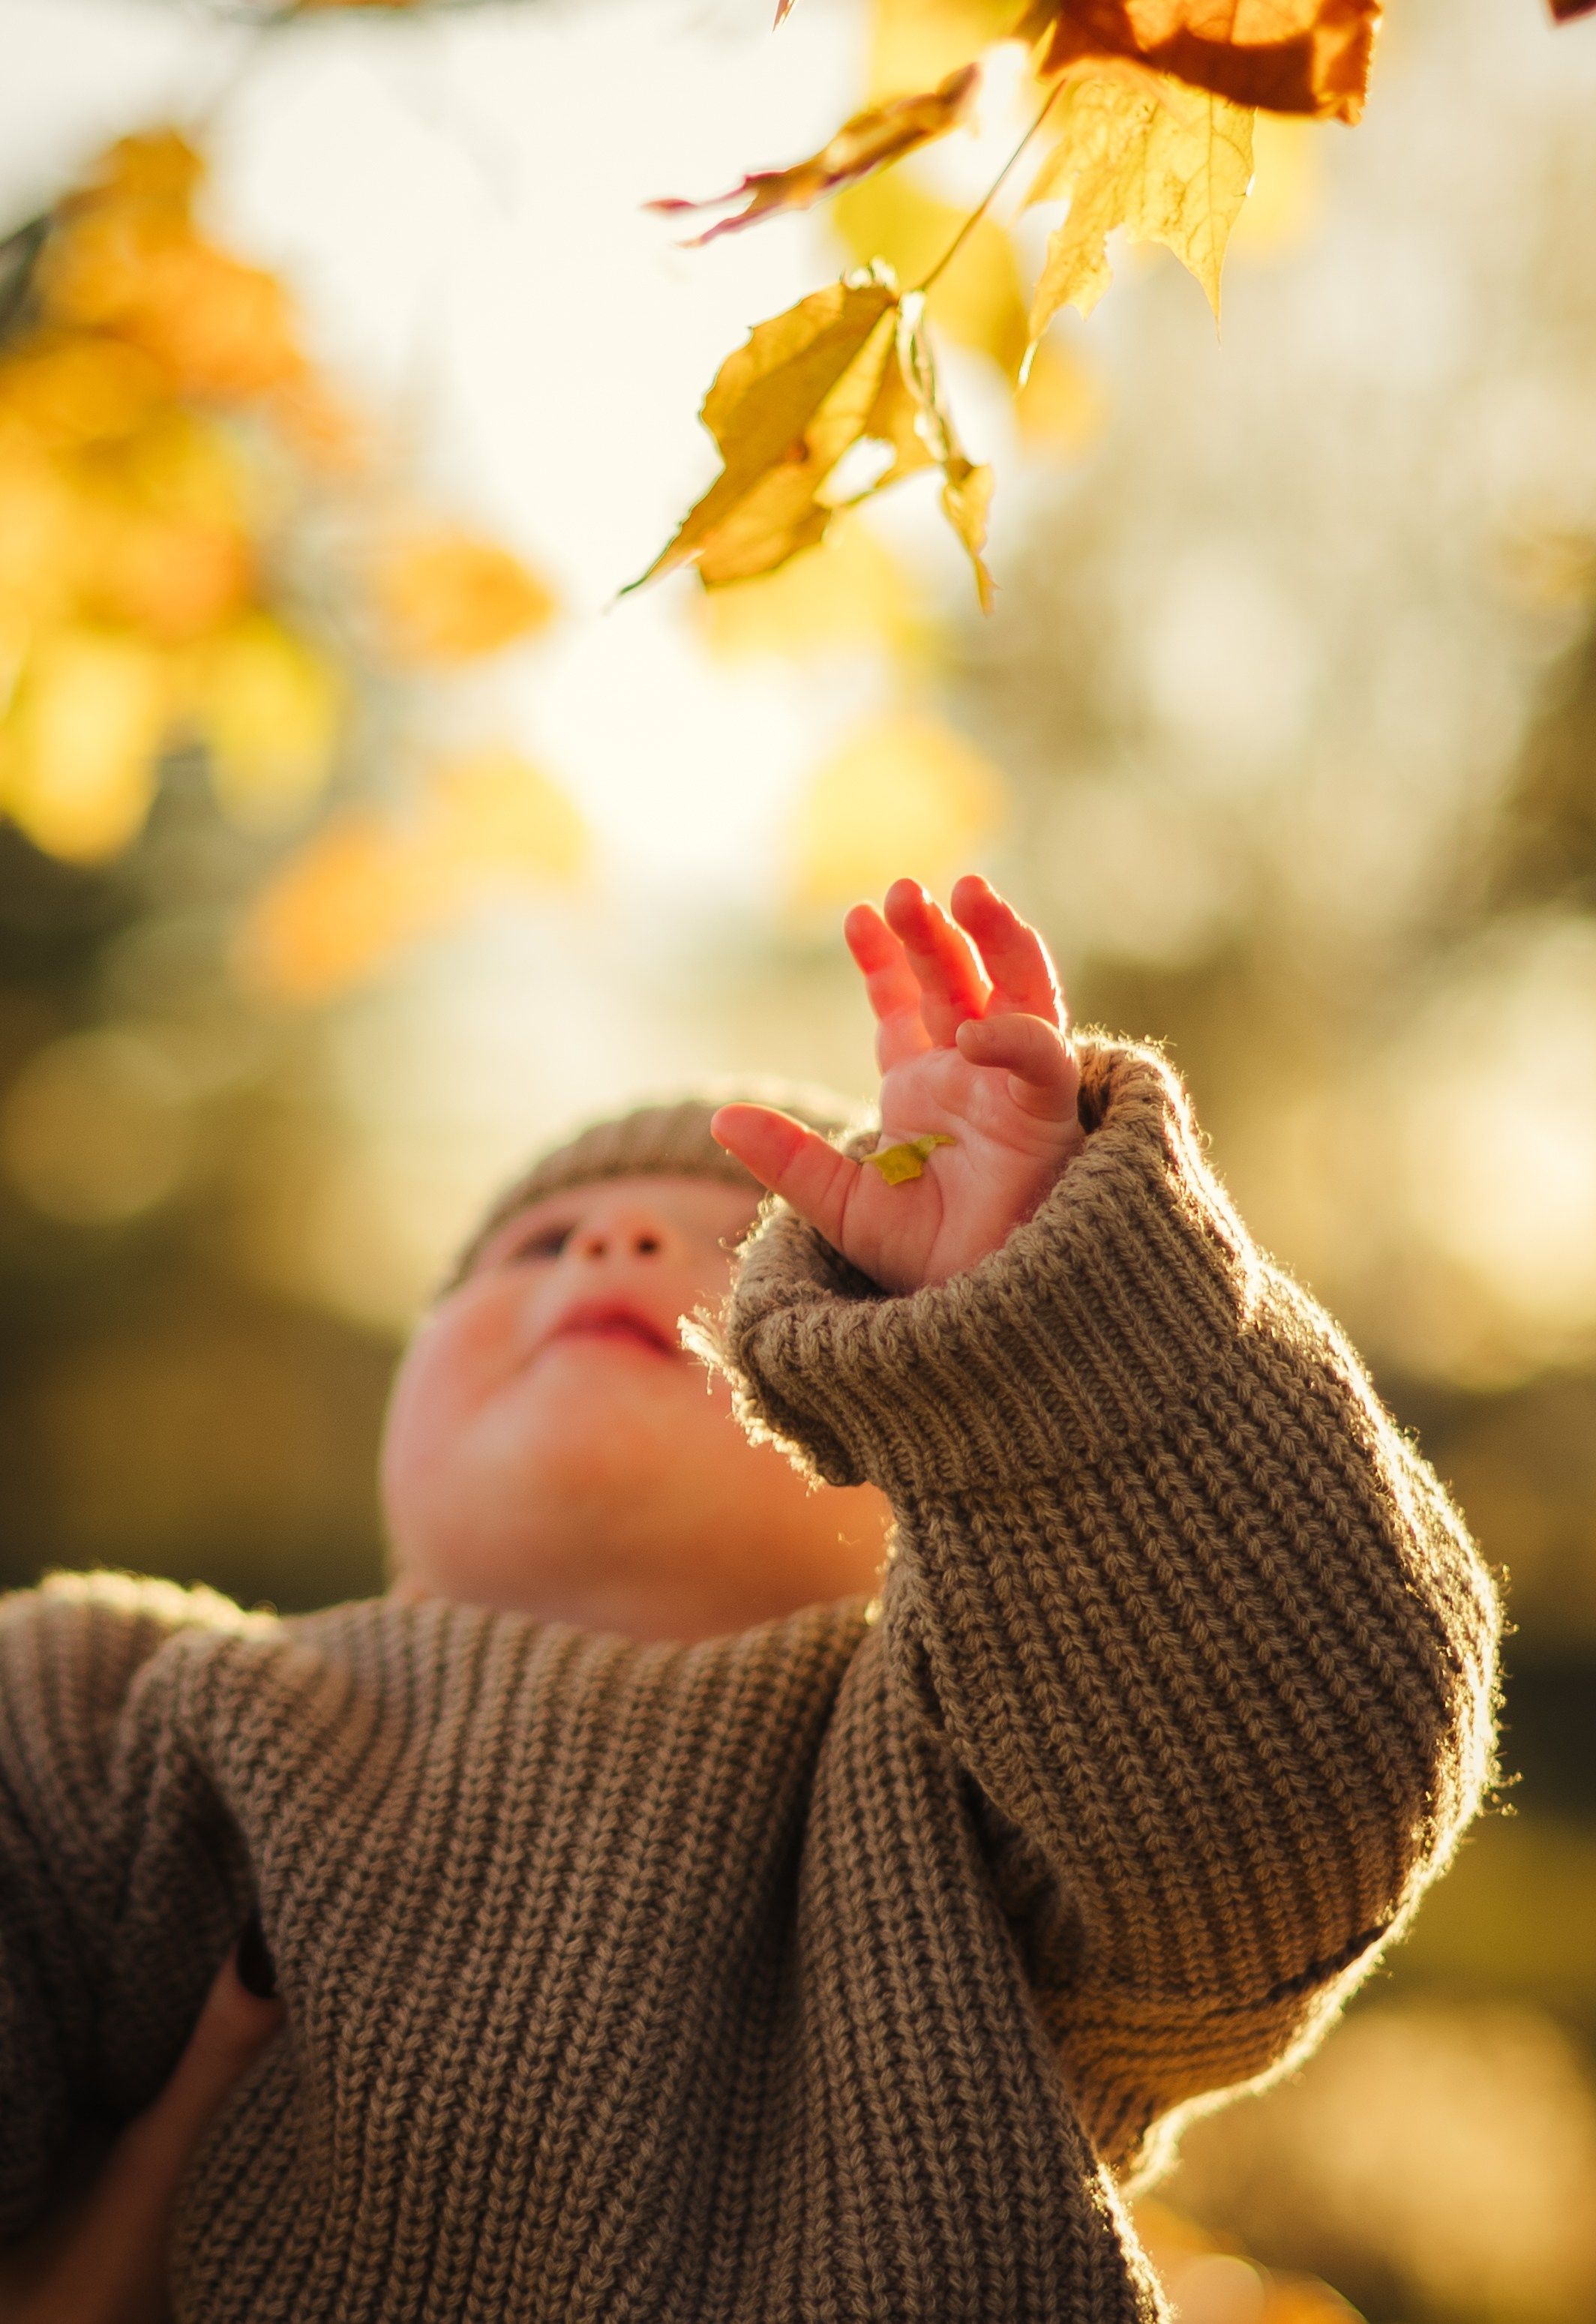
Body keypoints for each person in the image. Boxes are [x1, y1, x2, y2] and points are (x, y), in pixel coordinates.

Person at [0, 877, 1498, 2324]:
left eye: (748, 1243)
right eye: (535, 1242)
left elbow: (1287, 1794)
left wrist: (1045, 1324)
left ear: (930, 1449)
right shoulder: (117, 1698)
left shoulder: (960, 1772)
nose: (611, 1241)